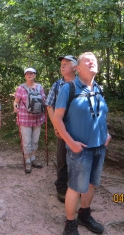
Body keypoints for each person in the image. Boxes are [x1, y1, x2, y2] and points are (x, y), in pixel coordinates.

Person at [54, 52, 111, 235]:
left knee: (91, 184)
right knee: (75, 187)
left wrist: (106, 134)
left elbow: (101, 115)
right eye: (87, 60)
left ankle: (84, 215)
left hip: (99, 147)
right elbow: (57, 118)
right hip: (80, 150)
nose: (92, 61)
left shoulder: (99, 89)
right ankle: (70, 225)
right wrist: (70, 142)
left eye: (94, 59)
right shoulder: (69, 88)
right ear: (78, 69)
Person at [46, 55, 77, 203]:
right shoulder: (57, 85)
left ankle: (78, 187)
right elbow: (49, 105)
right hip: (62, 127)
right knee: (62, 158)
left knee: (79, 157)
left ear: (75, 67)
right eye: (62, 64)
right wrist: (55, 125)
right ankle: (62, 188)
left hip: (80, 128)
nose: (62, 66)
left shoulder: (82, 84)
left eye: (66, 64)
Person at [14, 67, 45, 173]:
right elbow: (16, 101)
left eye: (31, 73)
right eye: (27, 73)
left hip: (38, 117)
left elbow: (43, 100)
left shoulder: (40, 87)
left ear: (35, 75)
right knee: (26, 141)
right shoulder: (20, 88)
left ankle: (33, 159)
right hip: (25, 118)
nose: (29, 74)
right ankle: (27, 161)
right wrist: (15, 107)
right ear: (25, 76)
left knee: (35, 140)